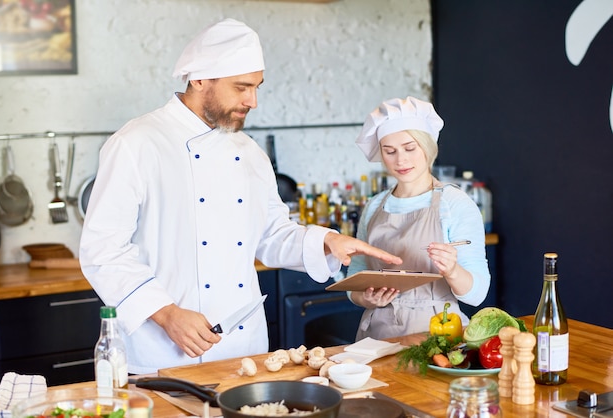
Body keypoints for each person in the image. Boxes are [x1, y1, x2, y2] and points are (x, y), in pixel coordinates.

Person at [79, 18, 402, 374]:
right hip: (162, 354)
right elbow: (103, 252)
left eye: (257, 87)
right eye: (242, 87)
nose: (254, 101)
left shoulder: (249, 153)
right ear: (200, 79)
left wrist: (327, 241)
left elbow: (270, 235)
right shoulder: (136, 144)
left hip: (243, 353)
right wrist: (167, 313)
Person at [347, 96, 491, 340]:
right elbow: (355, 277)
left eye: (410, 148)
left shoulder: (454, 204)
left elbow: (477, 294)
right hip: (375, 338)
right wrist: (364, 297)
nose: (400, 160)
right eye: (389, 151)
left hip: (437, 337)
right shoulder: (374, 206)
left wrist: (453, 270)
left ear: (427, 147)